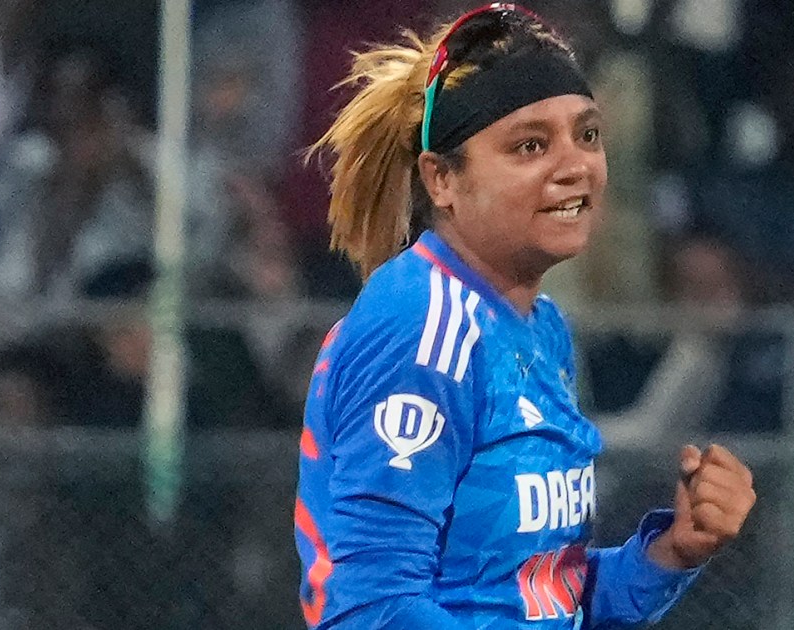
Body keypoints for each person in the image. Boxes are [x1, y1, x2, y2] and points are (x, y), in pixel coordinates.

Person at [293, 4, 756, 628]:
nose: (576, 166)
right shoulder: (422, 325)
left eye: (588, 135)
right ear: (442, 179)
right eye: (530, 145)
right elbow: (371, 607)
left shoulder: (541, 325)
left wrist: (671, 552)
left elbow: (543, 595)